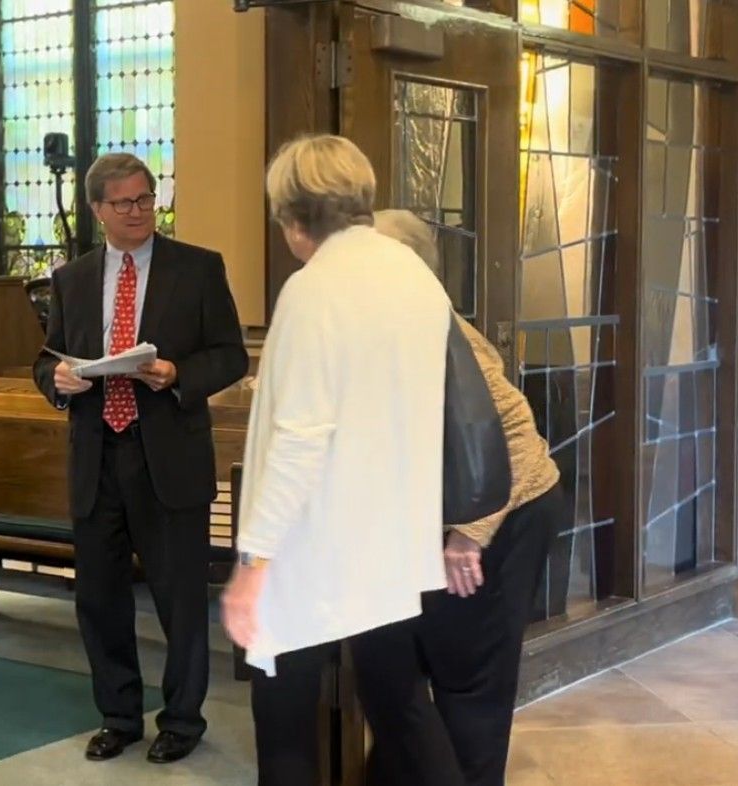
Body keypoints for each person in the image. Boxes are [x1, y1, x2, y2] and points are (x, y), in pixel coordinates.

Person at [222, 135, 465, 786]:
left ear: (291, 218)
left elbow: (299, 440)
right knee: (401, 707)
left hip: (315, 543)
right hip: (392, 537)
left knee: (284, 721)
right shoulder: (414, 274)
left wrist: (253, 563)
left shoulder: (315, 289)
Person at [32, 152, 248, 764]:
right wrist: (60, 379)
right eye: (124, 203)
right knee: (99, 598)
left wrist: (178, 373)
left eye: (146, 199)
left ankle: (182, 719)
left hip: (168, 457)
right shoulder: (72, 278)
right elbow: (46, 358)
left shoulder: (198, 269)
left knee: (179, 596)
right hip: (96, 454)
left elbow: (230, 355)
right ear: (97, 209)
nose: (138, 212)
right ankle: (119, 715)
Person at [370, 209, 567, 786]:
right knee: (403, 675)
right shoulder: (387, 322)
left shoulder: (432, 324)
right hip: (450, 520)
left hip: (505, 516)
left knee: (470, 685)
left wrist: (469, 534)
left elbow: (510, 430)